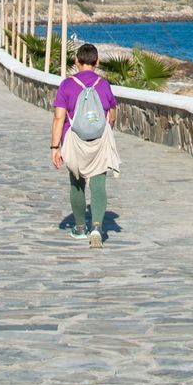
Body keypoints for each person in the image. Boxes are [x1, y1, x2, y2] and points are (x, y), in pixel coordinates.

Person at [51, 43, 120, 247]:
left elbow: (59, 117)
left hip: (74, 140)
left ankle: (80, 227)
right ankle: (97, 226)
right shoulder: (104, 84)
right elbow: (112, 114)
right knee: (98, 184)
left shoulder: (67, 85)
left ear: (76, 61)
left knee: (77, 183)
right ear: (97, 62)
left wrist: (55, 147)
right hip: (98, 141)